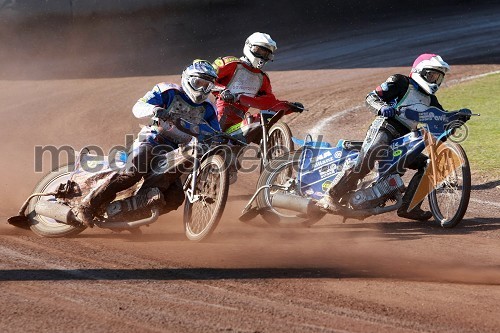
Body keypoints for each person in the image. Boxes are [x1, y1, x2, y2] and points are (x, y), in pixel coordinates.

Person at [74, 59, 221, 227]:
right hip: (152, 140)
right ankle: (86, 205)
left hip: (176, 154)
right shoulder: (168, 91)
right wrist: (154, 109)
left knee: (175, 198)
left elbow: (215, 133)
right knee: (132, 173)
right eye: (198, 83)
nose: (202, 89)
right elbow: (138, 107)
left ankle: (123, 214)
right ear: (187, 79)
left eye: (207, 86)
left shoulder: (209, 108)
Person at [317, 53, 451, 221]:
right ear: (420, 71)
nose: (434, 81)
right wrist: (382, 107)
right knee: (372, 152)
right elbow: (371, 97)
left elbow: (442, 119)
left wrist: (454, 121)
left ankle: (410, 207)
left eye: (438, 78)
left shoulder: (431, 100)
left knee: (426, 164)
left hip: (405, 139)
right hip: (386, 126)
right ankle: (330, 196)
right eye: (431, 75)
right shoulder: (400, 82)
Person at [211, 32, 304, 181]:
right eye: (260, 51)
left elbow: (269, 102)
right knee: (207, 144)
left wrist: (289, 107)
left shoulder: (262, 78)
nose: (262, 56)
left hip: (237, 122)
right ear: (249, 47)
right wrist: (222, 91)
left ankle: (270, 172)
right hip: (215, 117)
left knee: (259, 121)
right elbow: (204, 76)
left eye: (266, 53)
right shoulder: (231, 63)